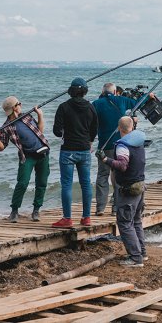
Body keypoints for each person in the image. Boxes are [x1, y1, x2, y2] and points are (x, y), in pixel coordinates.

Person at [97, 116, 147, 267]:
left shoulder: (122, 145)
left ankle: (135, 258)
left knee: (124, 223)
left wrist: (105, 160)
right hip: (140, 185)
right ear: (132, 127)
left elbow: (122, 165)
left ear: (119, 128)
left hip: (129, 189)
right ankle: (142, 253)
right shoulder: (138, 140)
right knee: (136, 220)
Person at [0, 96, 49, 223]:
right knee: (22, 183)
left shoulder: (27, 116)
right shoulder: (6, 127)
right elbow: (1, 148)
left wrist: (40, 115)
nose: (21, 105)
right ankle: (14, 211)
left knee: (42, 183)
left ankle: (36, 211)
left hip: (43, 152)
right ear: (14, 108)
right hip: (27, 156)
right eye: (19, 104)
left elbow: (40, 131)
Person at [51, 77, 98, 228]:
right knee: (86, 184)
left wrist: (65, 130)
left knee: (67, 185)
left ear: (71, 90)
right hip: (85, 149)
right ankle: (86, 217)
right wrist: (89, 141)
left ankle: (67, 218)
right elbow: (94, 129)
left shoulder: (63, 107)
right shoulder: (91, 107)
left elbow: (57, 132)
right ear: (85, 91)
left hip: (68, 151)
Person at [91, 83, 138, 216]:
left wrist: (89, 141)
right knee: (118, 176)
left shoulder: (96, 103)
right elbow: (139, 102)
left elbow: (92, 124)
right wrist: (149, 96)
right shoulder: (121, 100)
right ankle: (116, 208)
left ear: (102, 92)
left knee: (102, 176)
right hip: (120, 145)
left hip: (104, 145)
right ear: (116, 91)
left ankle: (100, 208)